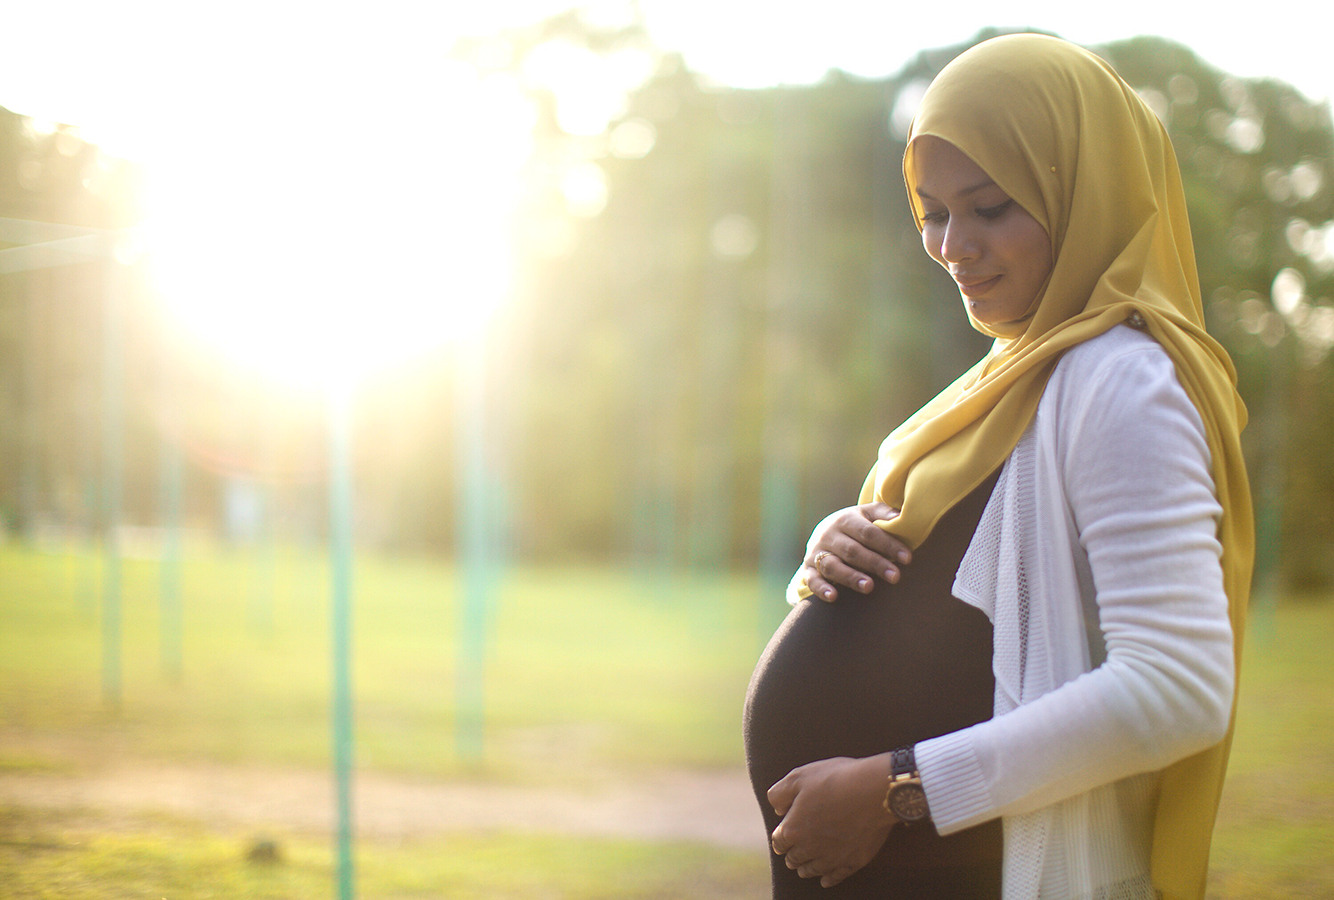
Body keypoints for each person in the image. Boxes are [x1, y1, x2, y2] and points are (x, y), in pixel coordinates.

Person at [742, 33, 1253, 900]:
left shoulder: (1118, 377)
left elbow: (1180, 685)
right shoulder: (1017, 370)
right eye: (933, 211)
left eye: (989, 207)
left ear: (1082, 190)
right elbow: (971, 595)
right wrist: (842, 546)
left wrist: (899, 788)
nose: (950, 245)